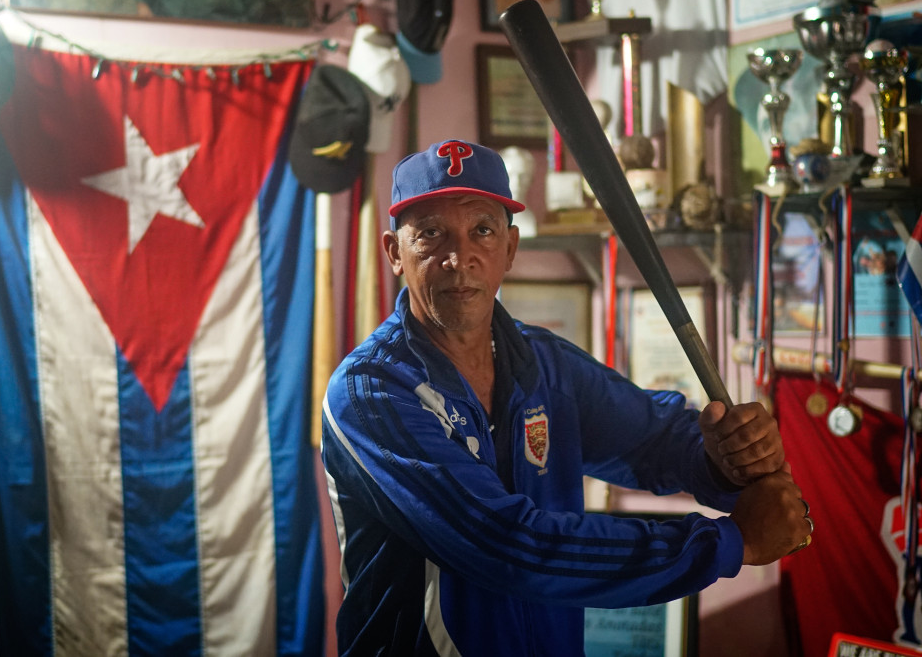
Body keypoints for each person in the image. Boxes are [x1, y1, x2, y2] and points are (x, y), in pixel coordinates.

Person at [320, 139, 812, 655]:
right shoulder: (370, 394)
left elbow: (654, 442)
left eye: (482, 230)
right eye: (431, 235)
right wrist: (732, 542)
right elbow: (508, 546)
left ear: (509, 249)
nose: (457, 257)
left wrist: (724, 458)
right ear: (395, 252)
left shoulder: (543, 365)